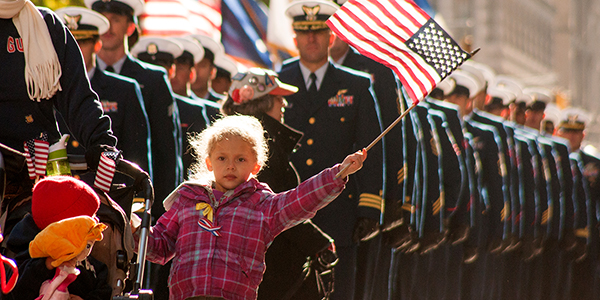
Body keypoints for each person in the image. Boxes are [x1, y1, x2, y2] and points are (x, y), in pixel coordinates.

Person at [131, 115, 367, 300]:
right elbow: (159, 247)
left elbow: (299, 201)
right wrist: (131, 226)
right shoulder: (187, 198)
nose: (230, 166)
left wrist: (337, 174)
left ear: (256, 165)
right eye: (222, 158)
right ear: (209, 162)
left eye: (240, 159)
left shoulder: (262, 204)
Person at [278, 1, 384, 299]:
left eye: (319, 32)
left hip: (339, 210)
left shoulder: (356, 85)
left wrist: (369, 207)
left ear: (332, 37)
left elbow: (371, 149)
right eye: (305, 32)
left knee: (338, 292)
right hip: (288, 209)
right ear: (295, 38)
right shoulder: (276, 83)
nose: (312, 39)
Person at [221, 68, 335, 299]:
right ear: (261, 103)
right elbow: (277, 206)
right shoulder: (262, 147)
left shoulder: (225, 140)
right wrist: (321, 244)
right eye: (277, 97)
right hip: (268, 268)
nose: (283, 103)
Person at [85, 0, 183, 211]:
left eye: (116, 20)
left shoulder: (153, 80)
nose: (108, 27)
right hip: (89, 192)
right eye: (103, 20)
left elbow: (166, 153)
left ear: (131, 27)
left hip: (134, 198)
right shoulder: (81, 79)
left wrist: (159, 212)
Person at [53, 6, 152, 194]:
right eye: (70, 44)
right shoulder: (44, 87)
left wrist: (134, 199)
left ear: (97, 45)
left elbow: (135, 152)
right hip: (57, 190)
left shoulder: (124, 89)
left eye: (82, 42)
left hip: (103, 194)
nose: (76, 50)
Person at [5, 176, 111, 300]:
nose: (96, 221)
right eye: (90, 218)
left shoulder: (86, 256)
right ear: (65, 226)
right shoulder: (30, 252)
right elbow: (16, 291)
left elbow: (104, 288)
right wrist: (46, 265)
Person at [29, 215, 107, 300]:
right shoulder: (31, 256)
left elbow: (104, 289)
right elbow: (19, 289)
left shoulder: (88, 264)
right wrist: (46, 265)